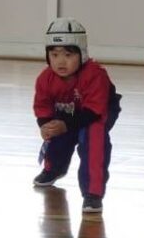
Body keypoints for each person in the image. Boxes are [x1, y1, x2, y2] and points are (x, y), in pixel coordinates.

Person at [33, 17, 122, 214]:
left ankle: (93, 192)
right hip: (67, 111)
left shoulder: (95, 75)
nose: (60, 61)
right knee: (56, 132)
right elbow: (42, 105)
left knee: (92, 137)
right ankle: (54, 167)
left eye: (68, 54)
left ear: (82, 54)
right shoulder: (45, 78)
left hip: (96, 113)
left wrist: (66, 125)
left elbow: (94, 111)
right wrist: (45, 124)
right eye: (54, 55)